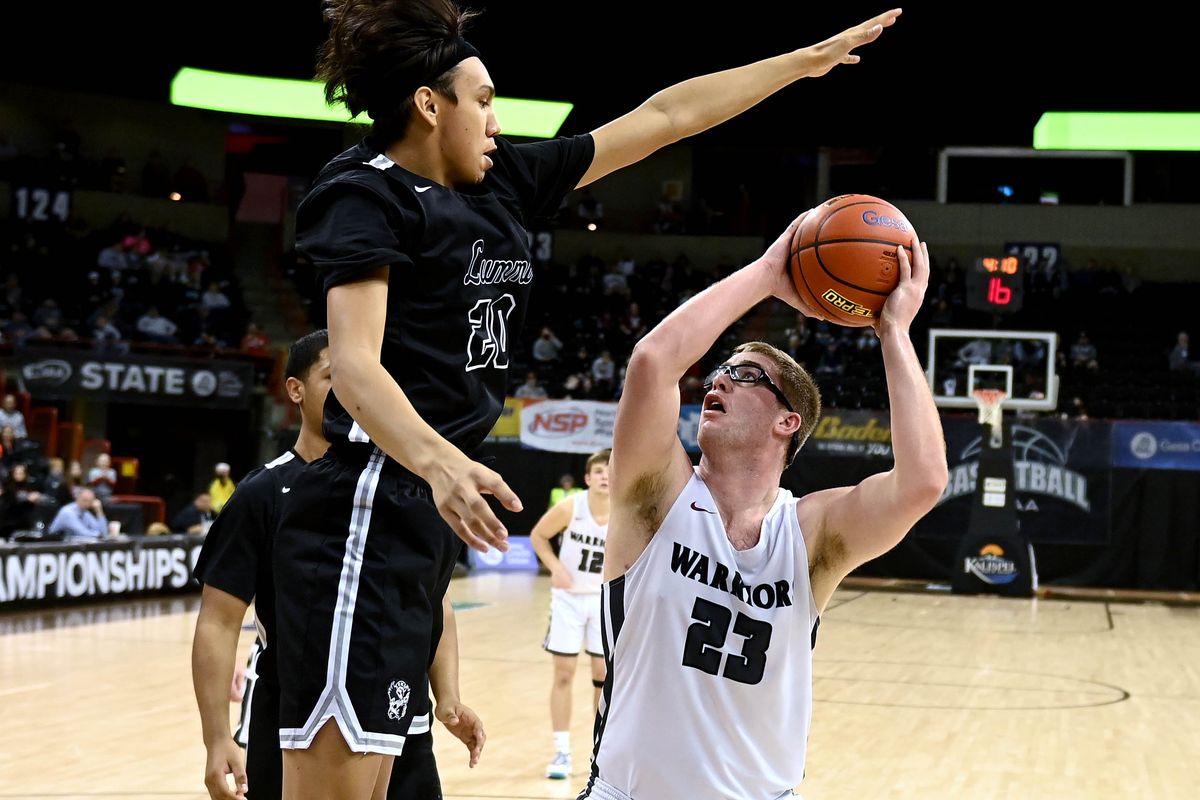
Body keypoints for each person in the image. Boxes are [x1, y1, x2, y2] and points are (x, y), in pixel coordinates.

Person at [282, 2, 901, 797]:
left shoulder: (503, 180)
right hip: (370, 496)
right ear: (429, 106)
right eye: (484, 100)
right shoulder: (365, 194)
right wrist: (440, 463)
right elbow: (357, 368)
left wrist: (800, 63)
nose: (497, 120)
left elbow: (668, 115)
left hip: (424, 514)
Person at [579, 215, 947, 799]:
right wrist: (771, 272)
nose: (717, 383)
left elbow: (923, 481)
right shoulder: (656, 497)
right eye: (719, 372)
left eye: (745, 376)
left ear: (787, 421)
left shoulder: (810, 533)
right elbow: (653, 362)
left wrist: (893, 332)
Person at [191, 331, 485, 800]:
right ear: (295, 390)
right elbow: (218, 621)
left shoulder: (404, 488)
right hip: (294, 707)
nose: (353, 391)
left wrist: (446, 694)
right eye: (335, 377)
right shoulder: (263, 493)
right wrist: (216, 736)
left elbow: (434, 597)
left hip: (400, 707)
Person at [529, 449, 610, 780]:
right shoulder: (571, 507)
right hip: (568, 600)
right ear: (588, 478)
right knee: (563, 674)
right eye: (600, 471)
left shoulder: (626, 510)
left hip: (604, 600)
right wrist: (555, 567)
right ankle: (561, 751)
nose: (606, 476)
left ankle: (600, 753)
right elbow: (538, 536)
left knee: (603, 680)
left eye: (611, 471)